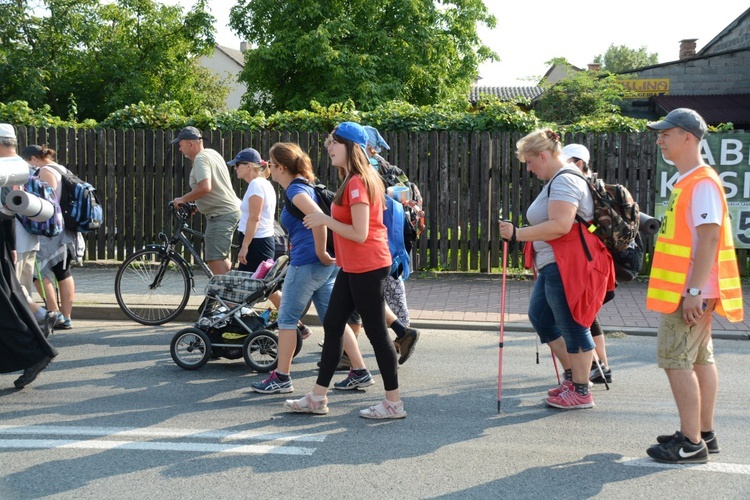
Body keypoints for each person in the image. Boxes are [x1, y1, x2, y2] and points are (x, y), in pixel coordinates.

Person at [286, 121, 406, 419]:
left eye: (334, 142)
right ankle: (317, 397)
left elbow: (360, 232)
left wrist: (323, 220)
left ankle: (393, 404)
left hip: (367, 266)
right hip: (353, 266)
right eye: (329, 142)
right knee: (334, 325)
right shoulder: (352, 178)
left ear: (351, 147)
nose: (329, 147)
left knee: (377, 334)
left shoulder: (358, 182)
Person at [644, 108, 743, 464]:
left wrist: (694, 292)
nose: (660, 140)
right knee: (700, 359)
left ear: (688, 137)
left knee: (676, 361)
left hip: (689, 292)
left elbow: (709, 236)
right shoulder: (691, 180)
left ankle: (690, 442)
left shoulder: (700, 181)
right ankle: (703, 433)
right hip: (695, 289)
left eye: (665, 134)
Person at [499, 129, 614, 410]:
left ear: (543, 155)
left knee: (574, 325)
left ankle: (581, 391)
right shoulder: (557, 179)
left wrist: (517, 234)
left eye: (529, 162)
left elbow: (561, 226)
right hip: (556, 264)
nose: (528, 168)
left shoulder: (564, 181)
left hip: (568, 265)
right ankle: (574, 378)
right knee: (541, 317)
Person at [249, 142, 369, 394]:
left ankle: (281, 377)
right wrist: (324, 255)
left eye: (270, 163)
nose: (268, 167)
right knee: (333, 321)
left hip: (307, 263)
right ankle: (359, 371)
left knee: (287, 319)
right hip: (322, 266)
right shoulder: (306, 184)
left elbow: (318, 219)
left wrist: (321, 251)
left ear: (281, 167)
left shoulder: (296, 191)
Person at [0, 124, 57, 388]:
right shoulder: (15, 167)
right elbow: (7, 212)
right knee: (10, 299)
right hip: (6, 241)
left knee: (7, 304)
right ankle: (38, 345)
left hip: (7, 242)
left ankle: (37, 352)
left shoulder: (7, 168)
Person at [363, 125, 419, 364]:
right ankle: (401, 332)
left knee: (388, 286)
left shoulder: (372, 167)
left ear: (369, 146)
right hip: (394, 236)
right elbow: (411, 199)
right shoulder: (392, 168)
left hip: (382, 236)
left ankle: (404, 332)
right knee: (386, 286)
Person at [561, 143, 612, 385]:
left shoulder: (576, 183)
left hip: (588, 259)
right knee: (590, 316)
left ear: (579, 162)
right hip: (598, 257)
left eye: (567, 160)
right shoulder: (594, 184)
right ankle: (603, 366)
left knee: (580, 316)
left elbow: (587, 225)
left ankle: (593, 366)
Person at [21, 145, 85, 330]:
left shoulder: (45, 171)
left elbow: (48, 202)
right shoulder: (62, 169)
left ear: (33, 158)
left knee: (36, 272)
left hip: (54, 230)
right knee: (63, 272)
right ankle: (66, 316)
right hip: (68, 229)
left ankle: (54, 314)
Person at [171, 126, 241, 276]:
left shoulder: (201, 159)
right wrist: (197, 203)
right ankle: (231, 293)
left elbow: (205, 187)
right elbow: (217, 186)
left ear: (190, 144)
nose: (180, 149)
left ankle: (231, 297)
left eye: (181, 145)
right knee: (218, 258)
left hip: (221, 214)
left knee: (215, 259)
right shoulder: (212, 153)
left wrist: (182, 199)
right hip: (230, 210)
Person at [228, 148, 277, 273]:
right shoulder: (263, 183)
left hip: (256, 243)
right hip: (258, 241)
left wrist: (245, 247)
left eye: (237, 165)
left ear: (249, 166)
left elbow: (255, 218)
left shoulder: (256, 185)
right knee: (258, 288)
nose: (235, 168)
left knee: (255, 287)